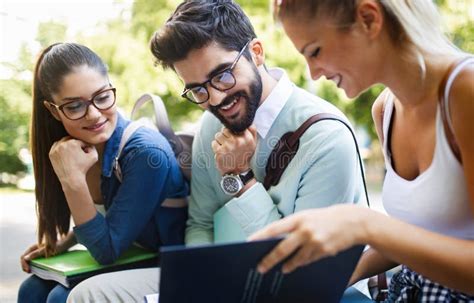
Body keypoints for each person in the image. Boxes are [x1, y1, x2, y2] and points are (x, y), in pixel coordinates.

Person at [67, 0, 368, 301]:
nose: (216, 98)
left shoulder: (326, 138)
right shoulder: (212, 124)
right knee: (86, 295)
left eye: (222, 74)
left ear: (257, 53)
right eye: (198, 89)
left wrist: (240, 177)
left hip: (299, 290)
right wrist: (203, 283)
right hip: (220, 283)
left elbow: (299, 271)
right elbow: (200, 223)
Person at [250, 0, 474, 301]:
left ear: (369, 19)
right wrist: (330, 277)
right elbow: (421, 235)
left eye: (315, 51)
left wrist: (364, 225)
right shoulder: (386, 110)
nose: (314, 74)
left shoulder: (465, 92)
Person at [18, 42, 189, 303]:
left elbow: (106, 250)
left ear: (111, 87)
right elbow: (117, 214)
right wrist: (66, 241)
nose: (94, 114)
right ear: (53, 111)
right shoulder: (75, 147)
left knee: (60, 298)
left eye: (102, 96)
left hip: (165, 262)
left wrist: (73, 180)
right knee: (31, 291)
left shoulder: (146, 153)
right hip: (131, 251)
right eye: (74, 106)